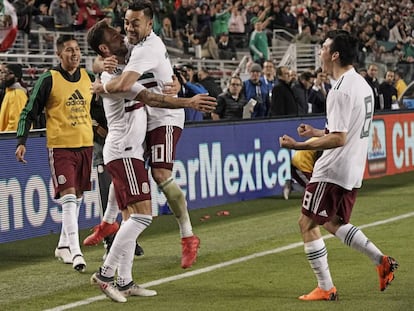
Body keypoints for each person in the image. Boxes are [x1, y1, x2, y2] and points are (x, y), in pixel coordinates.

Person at [86, 20, 216, 302]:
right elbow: (148, 97)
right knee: (144, 212)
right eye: (118, 30)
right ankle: (106, 274)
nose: (124, 32)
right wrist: (189, 101)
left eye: (129, 24)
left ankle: (125, 279)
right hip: (125, 150)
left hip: (126, 148)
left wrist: (98, 72)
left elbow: (148, 73)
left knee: (133, 214)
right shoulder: (115, 77)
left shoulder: (136, 53)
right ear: (106, 47)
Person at [279, 30, 398, 301]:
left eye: (323, 47)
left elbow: (339, 138)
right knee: (333, 222)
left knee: (307, 223)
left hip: (333, 169)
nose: (319, 51)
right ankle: (382, 261)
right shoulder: (362, 85)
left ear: (334, 54)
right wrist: (315, 132)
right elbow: (343, 130)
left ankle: (326, 287)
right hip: (353, 169)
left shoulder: (341, 90)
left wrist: (297, 146)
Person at [15, 35, 95, 273]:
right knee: (69, 197)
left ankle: (62, 245)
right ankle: (76, 251)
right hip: (61, 147)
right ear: (59, 55)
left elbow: (97, 108)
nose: (75, 54)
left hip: (86, 145)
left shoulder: (88, 78)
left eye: (77, 49)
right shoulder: (49, 79)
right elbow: (29, 111)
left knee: (78, 198)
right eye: (69, 50)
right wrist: (22, 141)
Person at [0, 64, 28, 132]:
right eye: (2, 72)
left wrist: (4, 138)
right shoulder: (9, 92)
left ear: (16, 77)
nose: (3, 76)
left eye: (6, 73)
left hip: (9, 140)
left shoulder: (17, 94)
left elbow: (16, 124)